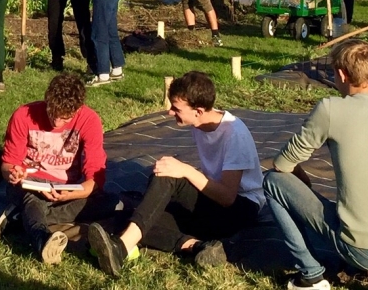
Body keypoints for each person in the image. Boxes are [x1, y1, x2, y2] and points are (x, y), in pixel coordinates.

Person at [263, 41, 368, 290]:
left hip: (364, 250)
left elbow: (283, 164)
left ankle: (311, 277)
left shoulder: (331, 109)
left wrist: (299, 175)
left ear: (341, 74)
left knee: (272, 182)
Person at [88, 71, 264, 275]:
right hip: (213, 204)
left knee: (169, 177)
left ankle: (122, 248)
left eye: (176, 108)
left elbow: (227, 197)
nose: (170, 112)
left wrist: (185, 171)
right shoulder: (198, 123)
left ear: (198, 111)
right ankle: (197, 246)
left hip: (241, 209)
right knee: (137, 215)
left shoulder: (235, 135)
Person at [0, 72, 110, 265]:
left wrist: (75, 194)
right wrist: (13, 173)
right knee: (32, 200)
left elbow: (95, 174)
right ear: (47, 101)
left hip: (67, 188)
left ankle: (20, 217)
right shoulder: (23, 115)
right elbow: (8, 163)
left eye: (65, 119)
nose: (56, 123)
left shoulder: (90, 121)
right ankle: (42, 240)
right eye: (52, 114)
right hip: (30, 184)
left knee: (112, 203)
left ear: (79, 109)